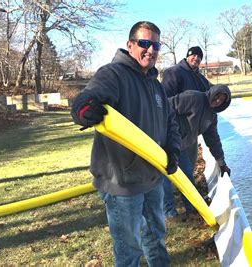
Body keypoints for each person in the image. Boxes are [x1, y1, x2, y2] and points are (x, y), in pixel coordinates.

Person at [70, 21, 181, 267]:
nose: (150, 49)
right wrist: (84, 110)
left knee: (155, 235)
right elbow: (86, 99)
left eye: (155, 45)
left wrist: (172, 150)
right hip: (121, 182)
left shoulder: (156, 85)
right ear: (130, 45)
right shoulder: (113, 74)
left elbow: (170, 121)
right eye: (144, 43)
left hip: (152, 175)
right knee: (128, 247)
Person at [163, 84, 232, 218]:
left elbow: (214, 141)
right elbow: (166, 107)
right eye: (217, 96)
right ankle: (169, 213)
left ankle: (191, 209)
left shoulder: (211, 117)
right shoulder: (193, 97)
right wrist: (170, 130)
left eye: (222, 100)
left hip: (180, 147)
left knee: (187, 175)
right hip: (166, 141)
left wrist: (221, 163)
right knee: (165, 178)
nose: (217, 100)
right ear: (212, 92)